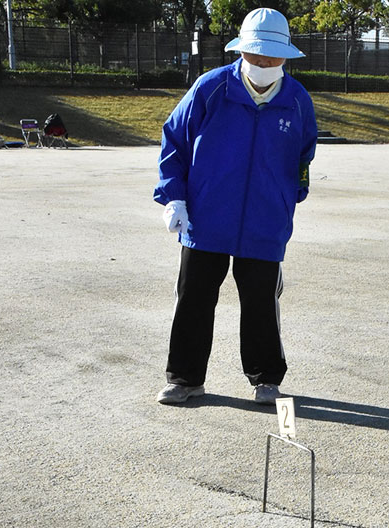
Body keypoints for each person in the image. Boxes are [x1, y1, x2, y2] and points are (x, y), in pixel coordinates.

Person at [153, 7, 317, 406]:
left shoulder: (297, 101)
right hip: (206, 217)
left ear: (285, 57)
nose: (263, 64)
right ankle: (185, 378)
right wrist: (174, 196)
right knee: (193, 297)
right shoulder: (210, 89)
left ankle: (265, 377)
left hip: (265, 222)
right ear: (241, 51)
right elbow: (173, 141)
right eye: (256, 55)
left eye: (272, 57)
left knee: (262, 301)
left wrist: (290, 197)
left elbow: (303, 156)